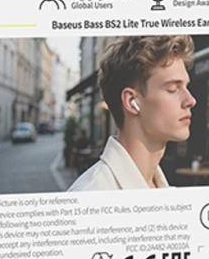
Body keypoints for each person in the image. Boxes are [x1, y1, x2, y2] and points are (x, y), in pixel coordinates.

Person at [68, 35, 196, 192]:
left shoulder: (161, 188)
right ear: (131, 101)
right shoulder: (91, 193)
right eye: (173, 89)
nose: (191, 100)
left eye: (186, 87)